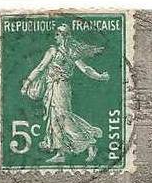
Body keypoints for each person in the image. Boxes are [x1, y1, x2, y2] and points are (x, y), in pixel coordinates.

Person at [20, 24, 109, 164]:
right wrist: (28, 82)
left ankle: (89, 141)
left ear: (64, 36)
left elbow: (85, 69)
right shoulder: (53, 51)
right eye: (56, 34)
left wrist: (99, 76)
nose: (55, 37)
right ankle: (61, 152)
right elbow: (40, 68)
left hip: (62, 88)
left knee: (63, 116)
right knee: (55, 117)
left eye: (58, 34)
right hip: (52, 87)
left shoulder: (70, 52)